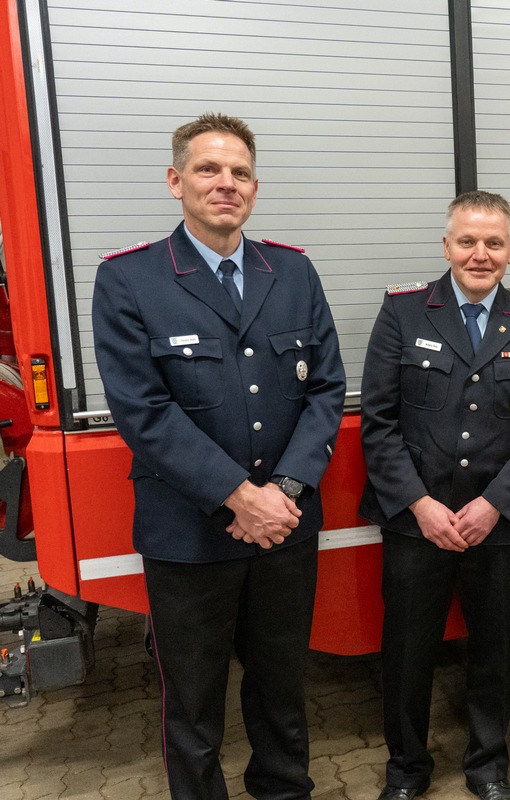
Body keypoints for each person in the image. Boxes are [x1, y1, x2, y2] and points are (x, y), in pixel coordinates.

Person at [92, 112, 346, 799]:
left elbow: (325, 389)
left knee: (281, 689)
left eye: (239, 172)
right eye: (208, 169)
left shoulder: (291, 271)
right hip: (190, 533)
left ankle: (285, 790)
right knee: (193, 706)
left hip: (284, 530)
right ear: (177, 181)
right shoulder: (129, 280)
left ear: (254, 189)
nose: (224, 183)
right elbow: (143, 412)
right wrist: (241, 497)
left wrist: (284, 491)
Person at [358, 191, 510, 800]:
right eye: (468, 241)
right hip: (417, 520)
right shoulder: (402, 312)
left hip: (498, 524)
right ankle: (407, 769)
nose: (481, 254)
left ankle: (488, 765)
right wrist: (420, 505)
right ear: (446, 245)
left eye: (493, 243)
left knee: (495, 649)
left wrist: (495, 503)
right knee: (407, 651)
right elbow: (379, 420)